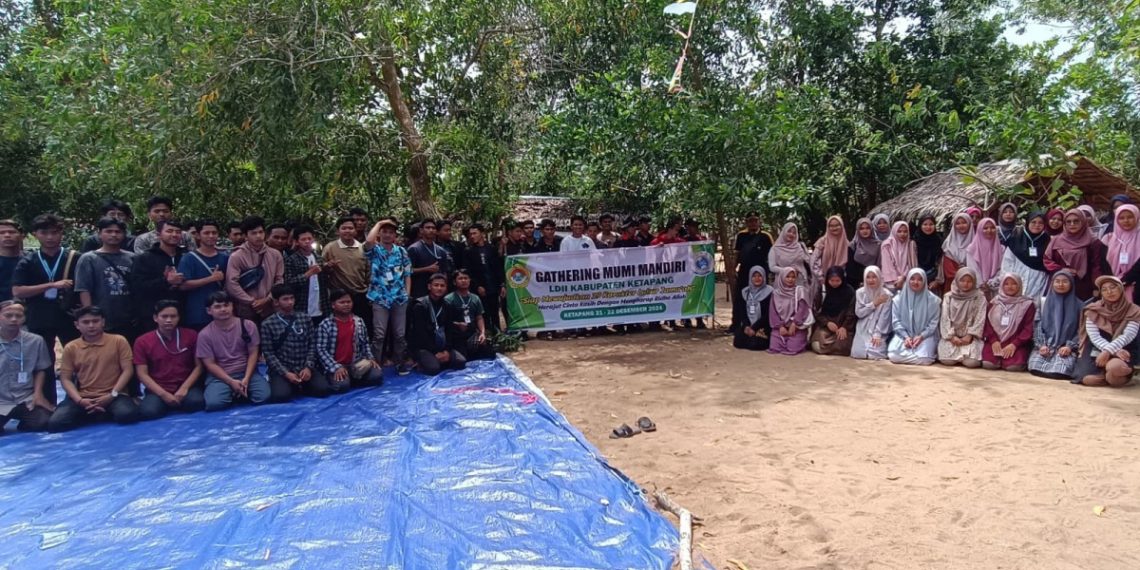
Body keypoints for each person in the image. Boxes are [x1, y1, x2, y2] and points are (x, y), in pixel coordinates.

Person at [11, 214, 80, 401]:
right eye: (44, 233)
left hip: (69, 316)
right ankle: (46, 401)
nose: (50, 237)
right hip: (39, 316)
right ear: (36, 234)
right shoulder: (28, 260)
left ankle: (81, 399)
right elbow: (18, 291)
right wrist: (51, 285)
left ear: (61, 234)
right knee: (43, 362)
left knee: (80, 359)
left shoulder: (74, 257)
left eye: (54, 232)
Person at [48, 306, 140, 431]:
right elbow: (65, 379)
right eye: (86, 322)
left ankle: (96, 413)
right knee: (56, 424)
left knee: (127, 415)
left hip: (114, 394)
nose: (91, 325)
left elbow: (128, 370)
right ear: (77, 325)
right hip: (83, 397)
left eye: (95, 321)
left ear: (103, 322)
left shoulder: (118, 341)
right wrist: (79, 400)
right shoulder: (71, 347)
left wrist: (112, 395)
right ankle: (96, 412)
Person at [197, 292, 270, 410]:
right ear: (209, 311)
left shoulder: (248, 325)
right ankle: (234, 391)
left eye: (226, 305)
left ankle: (239, 390)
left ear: (232, 306)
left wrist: (246, 378)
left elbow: (253, 353)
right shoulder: (204, 334)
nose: (223, 309)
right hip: (221, 376)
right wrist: (230, 381)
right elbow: (210, 364)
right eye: (217, 307)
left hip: (246, 373)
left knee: (264, 397)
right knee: (214, 404)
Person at [133, 301, 205, 420]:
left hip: (186, 385)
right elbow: (142, 374)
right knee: (149, 412)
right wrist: (163, 394)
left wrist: (184, 388)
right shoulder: (142, 341)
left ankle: (175, 402)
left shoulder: (191, 335)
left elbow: (199, 366)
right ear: (155, 318)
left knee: (196, 403)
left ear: (179, 318)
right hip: (159, 388)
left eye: (173, 316)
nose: (168, 320)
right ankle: (165, 403)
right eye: (164, 316)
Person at [261, 284, 330, 401]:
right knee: (280, 396)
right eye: (285, 299)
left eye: (292, 298)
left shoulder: (305, 318)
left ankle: (301, 384)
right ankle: (289, 383)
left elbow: (312, 345)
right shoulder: (267, 324)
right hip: (283, 368)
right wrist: (286, 373)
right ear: (276, 302)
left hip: (304, 366)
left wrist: (308, 367)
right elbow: (268, 353)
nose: (290, 302)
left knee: (323, 390)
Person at [75, 217, 138, 342]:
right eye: (109, 231)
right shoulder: (88, 259)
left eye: (118, 232)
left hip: (128, 318)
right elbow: (83, 288)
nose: (114, 235)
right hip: (102, 317)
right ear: (99, 234)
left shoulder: (132, 258)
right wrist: (91, 317)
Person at [364, 218, 413, 375]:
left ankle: (400, 362)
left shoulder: (401, 252)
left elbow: (407, 274)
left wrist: (407, 293)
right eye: (384, 232)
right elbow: (368, 241)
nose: (387, 235)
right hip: (380, 297)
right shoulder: (375, 251)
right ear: (379, 234)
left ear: (395, 236)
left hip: (399, 297)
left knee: (400, 334)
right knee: (379, 334)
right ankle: (375, 364)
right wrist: (379, 223)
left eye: (390, 232)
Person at [1072, 276, 1140, 386]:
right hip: (1098, 348)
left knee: (1114, 368)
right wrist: (1112, 351)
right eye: (1104, 289)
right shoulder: (1093, 309)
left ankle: (1117, 373)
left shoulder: (1134, 310)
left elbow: (1128, 335)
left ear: (1121, 289)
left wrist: (1108, 351)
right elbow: (1094, 337)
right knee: (1085, 378)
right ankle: (1109, 377)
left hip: (1124, 348)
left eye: (1113, 288)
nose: (1109, 292)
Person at [0, 300, 54, 432]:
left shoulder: (36, 341)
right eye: (8, 315)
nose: (14, 319)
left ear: (24, 318)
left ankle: (24, 422)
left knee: (44, 422)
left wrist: (38, 394)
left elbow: (40, 369)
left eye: (18, 316)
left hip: (25, 398)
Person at [316, 289, 383, 389]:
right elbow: (321, 350)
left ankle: (352, 377)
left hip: (356, 363)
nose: (346, 305)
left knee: (377, 376)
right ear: (333, 305)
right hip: (336, 364)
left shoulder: (359, 321)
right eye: (342, 302)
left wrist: (370, 358)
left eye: (348, 302)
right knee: (342, 386)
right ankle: (345, 378)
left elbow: (365, 343)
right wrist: (335, 367)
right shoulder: (325, 324)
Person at [129, 219, 187, 331]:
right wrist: (166, 281)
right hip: (153, 317)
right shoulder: (144, 258)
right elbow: (137, 286)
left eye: (178, 232)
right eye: (169, 231)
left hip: (183, 314)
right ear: (158, 234)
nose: (174, 234)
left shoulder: (186, 257)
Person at [225, 216, 285, 321]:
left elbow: (279, 279)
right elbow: (232, 284)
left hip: (270, 307)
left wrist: (268, 299)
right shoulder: (236, 256)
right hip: (246, 309)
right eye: (253, 233)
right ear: (245, 236)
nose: (258, 236)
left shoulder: (275, 254)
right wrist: (252, 302)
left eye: (261, 232)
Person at [408, 274, 468, 375]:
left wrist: (447, 351)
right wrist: (435, 352)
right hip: (425, 347)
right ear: (429, 287)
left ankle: (441, 359)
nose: (439, 288)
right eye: (436, 285)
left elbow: (449, 329)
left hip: (442, 345)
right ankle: (421, 361)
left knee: (461, 362)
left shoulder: (447, 305)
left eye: (442, 286)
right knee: (433, 369)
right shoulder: (420, 305)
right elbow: (420, 333)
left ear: (446, 288)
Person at [1028, 271, 1082, 380]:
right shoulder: (1043, 303)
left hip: (1066, 347)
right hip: (1046, 346)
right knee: (1035, 366)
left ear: (1071, 284)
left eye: (1065, 282)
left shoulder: (1080, 306)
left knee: (1062, 369)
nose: (1060, 285)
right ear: (1052, 283)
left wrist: (1069, 346)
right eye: (1057, 281)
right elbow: (1037, 325)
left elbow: (1081, 330)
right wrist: (1041, 345)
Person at [1043, 209, 1106, 301]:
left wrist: (1097, 286)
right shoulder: (1056, 240)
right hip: (1060, 282)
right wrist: (1061, 269)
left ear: (1083, 222)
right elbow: (1047, 260)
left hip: (1083, 286)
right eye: (1068, 222)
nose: (1072, 224)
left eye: (1076, 221)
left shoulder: (1093, 242)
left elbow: (1097, 266)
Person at [177, 219, 228, 330]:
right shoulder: (188, 258)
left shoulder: (225, 257)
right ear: (198, 235)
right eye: (206, 233)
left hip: (222, 313)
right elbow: (183, 285)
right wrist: (210, 279)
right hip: (197, 314)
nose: (211, 236)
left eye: (214, 233)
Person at [981, 273, 1036, 371]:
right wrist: (993, 340)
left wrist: (1015, 344)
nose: (1010, 287)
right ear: (1002, 285)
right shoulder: (994, 303)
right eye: (1006, 284)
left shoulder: (1027, 304)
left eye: (1013, 284)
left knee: (1013, 367)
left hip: (1016, 342)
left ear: (1019, 285)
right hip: (996, 341)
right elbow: (987, 324)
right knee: (988, 364)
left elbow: (1028, 328)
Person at [887, 268, 940, 366]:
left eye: (920, 279)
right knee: (893, 355)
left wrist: (921, 336)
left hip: (925, 336)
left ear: (924, 281)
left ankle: (912, 356)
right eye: (912, 279)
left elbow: (933, 323)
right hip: (903, 336)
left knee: (925, 359)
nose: (916, 282)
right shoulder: (898, 299)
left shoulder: (933, 301)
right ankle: (914, 357)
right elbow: (896, 322)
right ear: (907, 280)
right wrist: (906, 337)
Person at [936, 267, 987, 368]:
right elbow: (945, 318)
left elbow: (980, 318)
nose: (965, 284)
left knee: (972, 363)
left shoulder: (979, 296)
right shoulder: (949, 296)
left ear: (974, 282)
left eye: (969, 281)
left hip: (970, 338)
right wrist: (951, 336)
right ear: (957, 280)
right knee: (946, 360)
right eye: (962, 280)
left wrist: (970, 335)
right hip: (951, 337)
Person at [731, 212, 773, 332]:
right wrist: (733, 269)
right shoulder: (741, 236)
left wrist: (770, 272)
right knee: (740, 298)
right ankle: (737, 324)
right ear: (746, 222)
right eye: (750, 221)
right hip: (745, 271)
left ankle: (761, 325)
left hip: (761, 272)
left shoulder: (765, 236)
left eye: (755, 220)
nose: (753, 223)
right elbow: (737, 254)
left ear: (759, 221)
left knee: (763, 298)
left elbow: (771, 255)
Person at [444, 269, 495, 361]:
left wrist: (482, 333)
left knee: (491, 353)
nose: (464, 281)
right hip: (456, 335)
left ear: (469, 280)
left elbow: (479, 317)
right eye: (460, 278)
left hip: (472, 334)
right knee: (462, 359)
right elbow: (444, 321)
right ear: (454, 282)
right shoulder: (448, 299)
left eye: (466, 278)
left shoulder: (475, 298)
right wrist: (457, 324)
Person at [463, 224, 503, 334]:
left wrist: (501, 284)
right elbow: (469, 271)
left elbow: (497, 268)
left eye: (474, 233)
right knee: (482, 313)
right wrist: (477, 286)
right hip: (479, 287)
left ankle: (497, 334)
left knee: (495, 311)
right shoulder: (469, 251)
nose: (472, 236)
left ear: (482, 234)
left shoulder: (491, 249)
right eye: (470, 234)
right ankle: (484, 334)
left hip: (493, 285)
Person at [283, 225, 330, 319]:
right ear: (296, 242)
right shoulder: (292, 259)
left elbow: (325, 281)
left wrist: (328, 268)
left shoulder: (318, 258)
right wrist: (308, 274)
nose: (307, 241)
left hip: (321, 304)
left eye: (309, 238)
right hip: (302, 304)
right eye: (303, 239)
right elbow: (289, 282)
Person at [1001, 211, 1051, 298]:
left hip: (1038, 283)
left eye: (1040, 223)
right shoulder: (1016, 238)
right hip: (1015, 282)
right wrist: (1009, 281)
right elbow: (1007, 262)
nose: (1037, 225)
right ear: (1028, 222)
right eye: (1033, 222)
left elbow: (1048, 263)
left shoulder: (1047, 240)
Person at [810, 266, 856, 356]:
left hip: (842, 325)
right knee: (818, 343)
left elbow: (851, 312)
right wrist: (827, 323)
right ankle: (832, 349)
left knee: (844, 344)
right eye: (832, 281)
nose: (834, 283)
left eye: (837, 281)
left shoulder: (849, 291)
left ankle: (830, 349)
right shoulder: (823, 290)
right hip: (825, 326)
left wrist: (844, 327)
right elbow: (815, 310)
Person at [851, 266, 893, 360]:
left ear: (879, 277)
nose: (871, 280)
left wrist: (878, 334)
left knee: (876, 353)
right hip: (863, 328)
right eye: (868, 277)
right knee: (858, 353)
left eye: (874, 277)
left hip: (879, 329)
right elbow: (859, 313)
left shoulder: (886, 295)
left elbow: (884, 317)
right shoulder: (860, 293)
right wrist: (874, 304)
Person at [768, 267, 812, 355]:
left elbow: (802, 310)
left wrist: (794, 323)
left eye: (793, 277)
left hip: (796, 327)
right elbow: (773, 312)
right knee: (775, 347)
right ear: (782, 277)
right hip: (781, 327)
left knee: (793, 347)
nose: (790, 279)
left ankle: (797, 341)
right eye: (787, 277)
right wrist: (780, 326)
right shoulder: (775, 294)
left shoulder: (800, 292)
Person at [408, 218, 456, 298]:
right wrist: (426, 269)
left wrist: (444, 289)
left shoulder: (441, 251)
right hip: (419, 292)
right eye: (428, 228)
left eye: (433, 228)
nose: (431, 230)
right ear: (421, 230)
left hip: (437, 293)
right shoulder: (414, 249)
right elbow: (407, 271)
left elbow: (444, 272)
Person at [1104, 204, 1140, 301]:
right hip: (1112, 286)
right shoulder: (1109, 238)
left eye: (1130, 217)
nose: (1126, 221)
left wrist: (1125, 281)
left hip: (1136, 285)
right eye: (1121, 218)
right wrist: (1112, 281)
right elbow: (1103, 263)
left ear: (1137, 217)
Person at [734, 267, 772, 351]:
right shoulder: (745, 292)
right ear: (750, 277)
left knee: (757, 343)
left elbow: (767, 315)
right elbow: (742, 313)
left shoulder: (769, 292)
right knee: (738, 341)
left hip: (762, 326)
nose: (757, 278)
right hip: (749, 325)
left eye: (759, 276)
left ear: (764, 277)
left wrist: (754, 328)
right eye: (754, 276)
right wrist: (746, 326)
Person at [967, 218, 1005, 299]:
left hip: (996, 290)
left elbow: (1003, 269)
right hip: (978, 290)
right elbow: (972, 269)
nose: (989, 230)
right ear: (979, 230)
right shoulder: (972, 249)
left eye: (992, 227)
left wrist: (991, 283)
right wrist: (982, 284)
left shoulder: (1001, 249)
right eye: (985, 228)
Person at [810, 216, 848, 290]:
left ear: (842, 226)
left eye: (837, 225)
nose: (834, 228)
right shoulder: (822, 242)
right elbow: (814, 261)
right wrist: (821, 277)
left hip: (842, 281)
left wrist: (841, 278)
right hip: (823, 281)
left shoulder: (846, 243)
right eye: (831, 226)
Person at [768, 223, 811, 288]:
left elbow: (808, 261)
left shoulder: (799, 247)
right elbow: (772, 267)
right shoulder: (775, 249)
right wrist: (788, 271)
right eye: (789, 231)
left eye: (794, 233)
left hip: (800, 283)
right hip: (783, 283)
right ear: (784, 232)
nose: (791, 234)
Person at [941, 212, 974, 293]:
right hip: (952, 284)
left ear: (970, 224)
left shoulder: (976, 243)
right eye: (958, 223)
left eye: (964, 222)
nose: (961, 225)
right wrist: (961, 278)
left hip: (971, 283)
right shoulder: (948, 243)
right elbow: (947, 267)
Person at [879, 221, 917, 291]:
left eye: (905, 231)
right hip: (891, 282)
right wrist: (896, 280)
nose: (902, 234)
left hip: (907, 279)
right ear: (894, 231)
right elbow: (887, 265)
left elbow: (911, 264)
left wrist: (903, 277)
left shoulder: (910, 244)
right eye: (899, 231)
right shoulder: (887, 245)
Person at [846, 218, 880, 289]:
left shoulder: (878, 245)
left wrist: (870, 278)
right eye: (861, 228)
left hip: (873, 280)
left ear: (871, 229)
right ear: (858, 230)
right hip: (855, 282)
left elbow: (879, 264)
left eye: (867, 228)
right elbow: (850, 267)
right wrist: (861, 280)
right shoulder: (852, 245)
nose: (865, 231)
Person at [914, 215, 944, 294]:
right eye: (925, 224)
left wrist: (937, 280)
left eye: (931, 224)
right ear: (920, 225)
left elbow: (941, 261)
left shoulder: (939, 240)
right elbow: (911, 262)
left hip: (933, 279)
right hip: (916, 279)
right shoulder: (914, 241)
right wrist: (917, 279)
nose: (928, 227)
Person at [0, 220, 23, 303]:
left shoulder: (32, 260)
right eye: (2, 233)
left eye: (12, 232)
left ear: (22, 236)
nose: (7, 235)